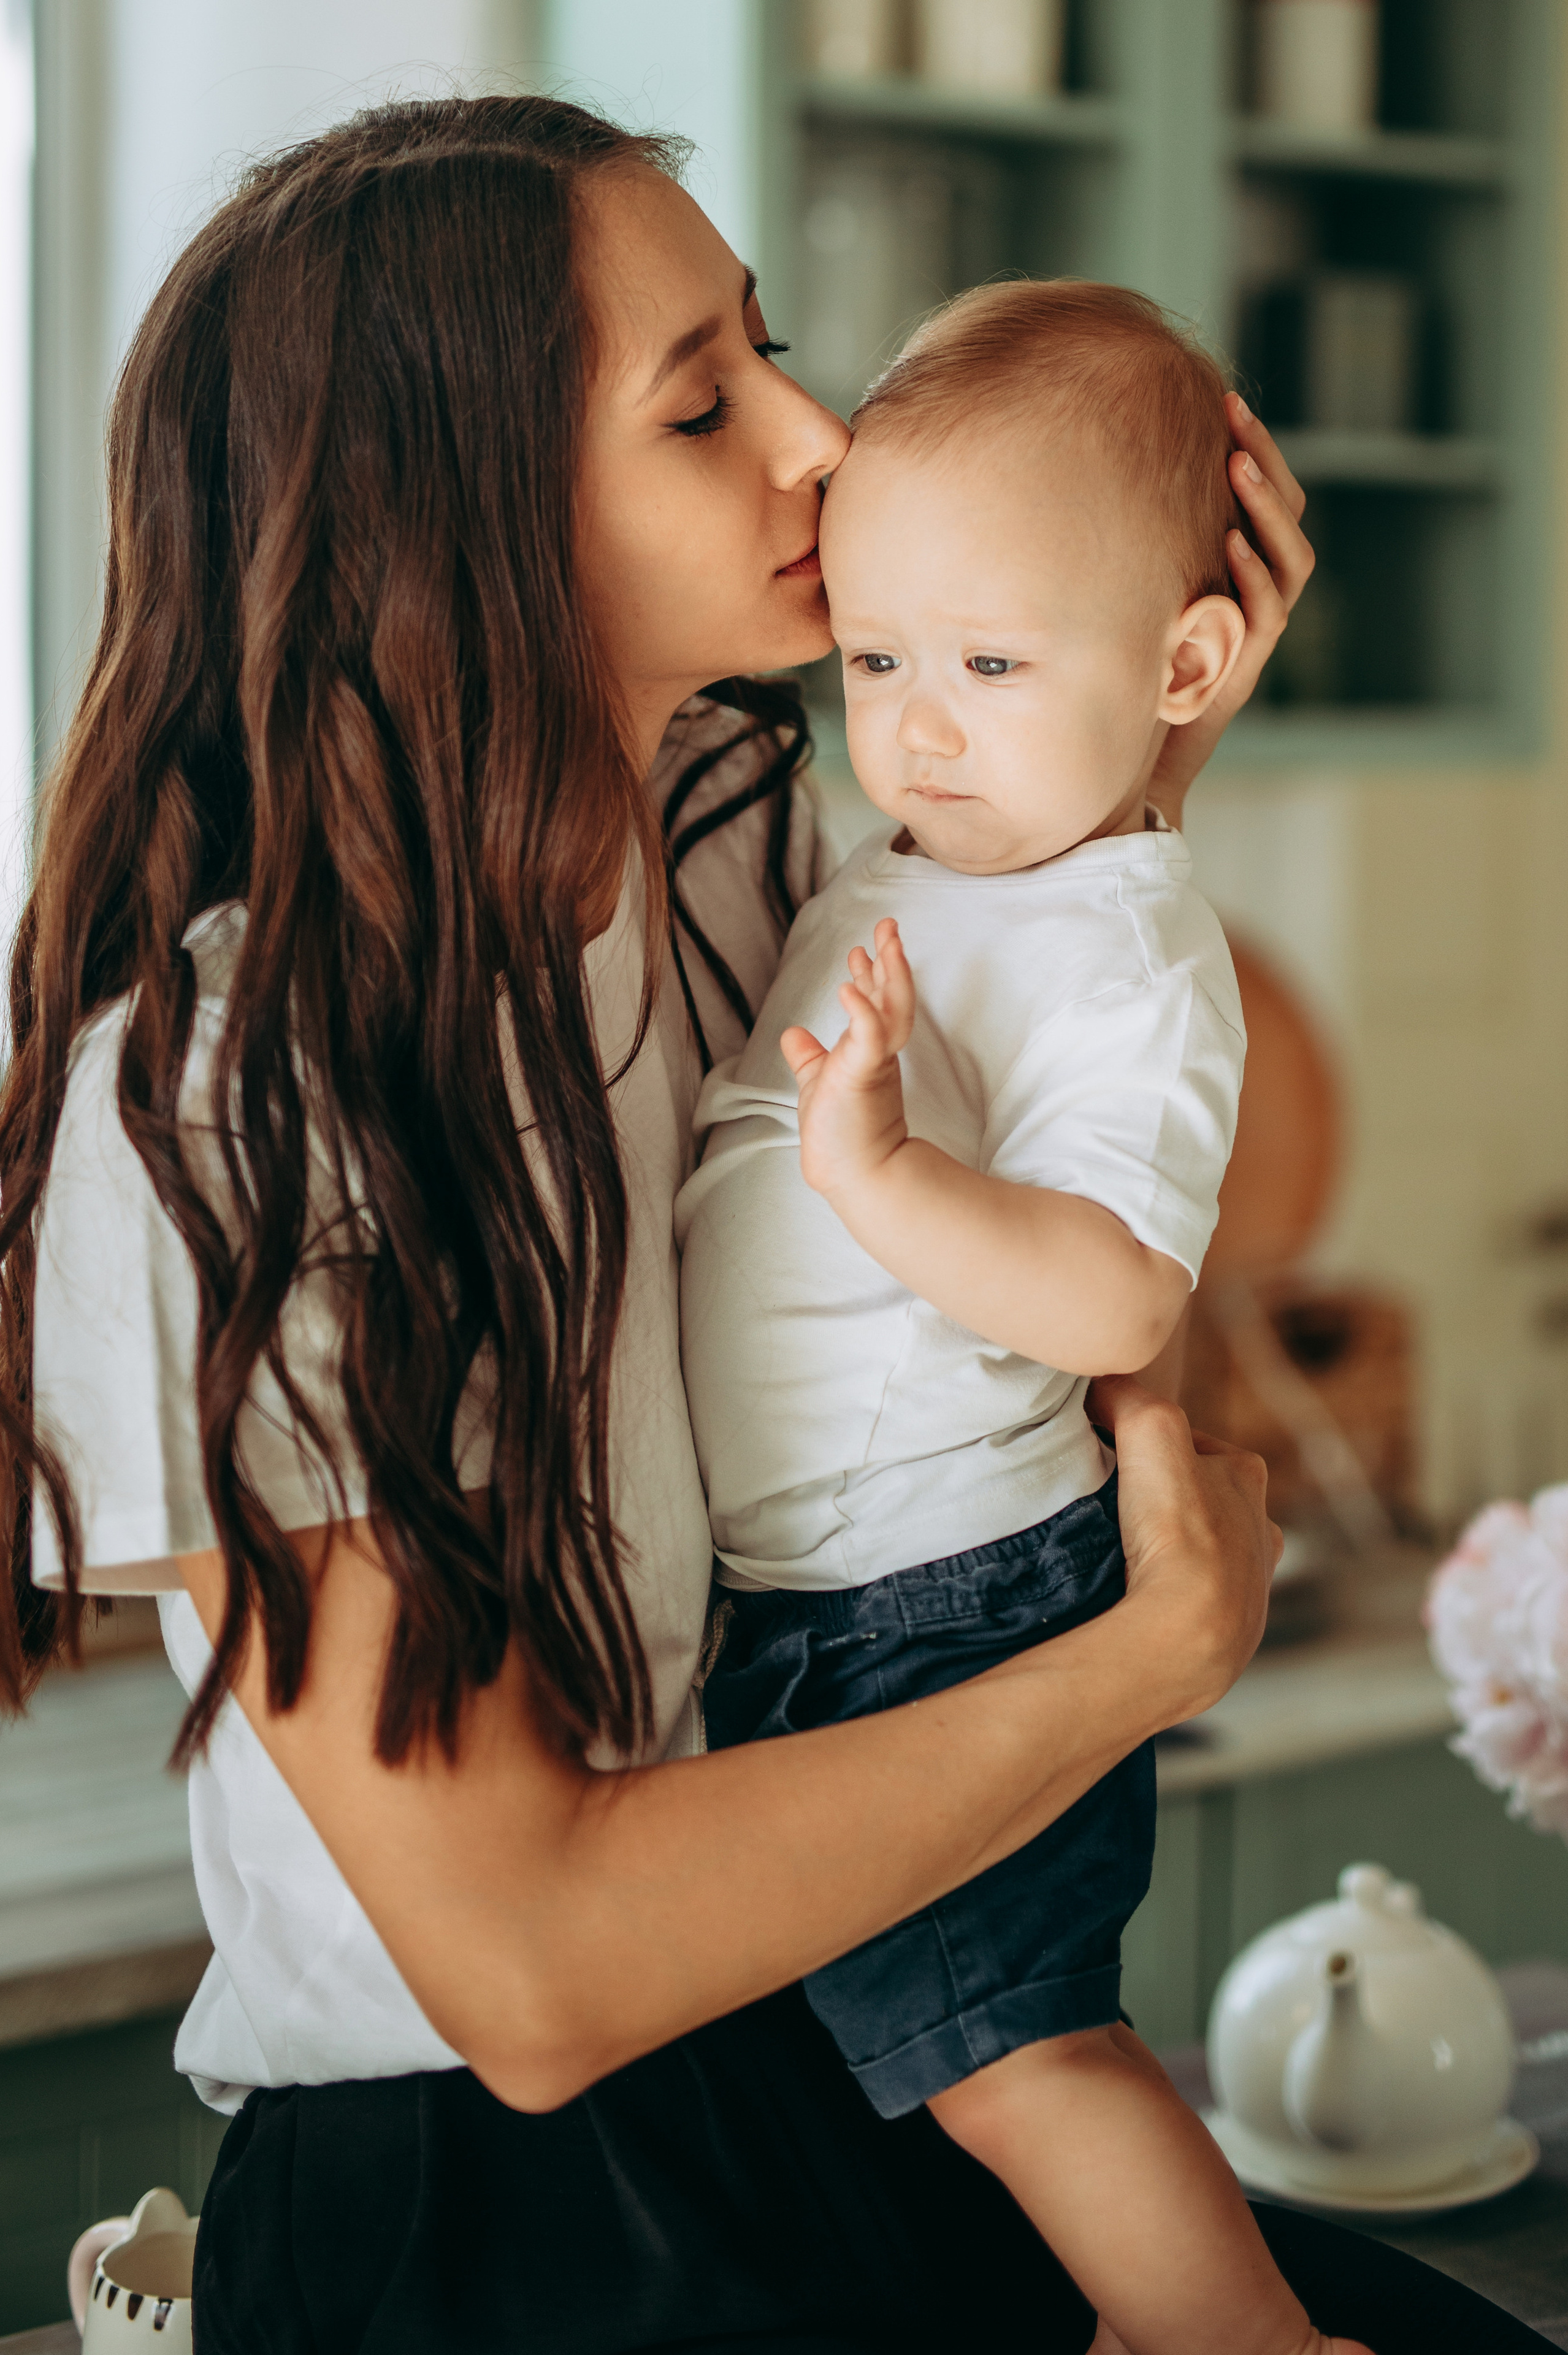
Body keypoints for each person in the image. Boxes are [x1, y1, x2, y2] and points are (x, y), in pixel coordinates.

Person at [0, 94, 1548, 2355]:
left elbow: (987, 1227)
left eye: (773, 348)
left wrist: (1128, 752)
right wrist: (1151, 1656)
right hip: (500, 2202)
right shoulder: (233, 1103)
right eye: (701, 404)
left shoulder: (729, 825)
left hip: (832, 2034)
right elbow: (535, 1977)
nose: (822, 440)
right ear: (457, 515)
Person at [682, 279, 1359, 2355]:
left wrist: (883, 1176)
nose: (918, 725)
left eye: (989, 663)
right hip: (838, 1589)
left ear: (1188, 662)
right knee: (943, 2071)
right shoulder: (945, 852)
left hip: (943, 1599)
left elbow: (1119, 1285)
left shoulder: (1135, 960)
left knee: (1016, 2055)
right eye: (877, 657)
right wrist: (1110, 729)